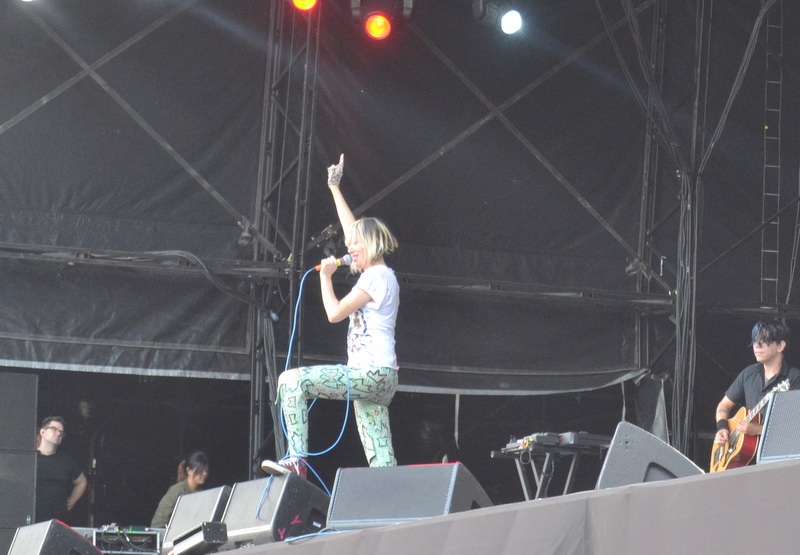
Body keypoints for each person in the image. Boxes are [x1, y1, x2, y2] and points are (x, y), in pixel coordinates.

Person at [262, 154, 400, 478]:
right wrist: (334, 187)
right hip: (380, 378)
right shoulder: (382, 275)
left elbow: (335, 313)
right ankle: (392, 492)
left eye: (355, 246)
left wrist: (325, 278)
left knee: (291, 381)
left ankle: (296, 460)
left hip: (370, 374)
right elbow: (354, 230)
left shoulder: (376, 277)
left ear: (371, 244)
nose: (349, 249)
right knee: (380, 454)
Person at [713, 320, 800, 464]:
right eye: (755, 340)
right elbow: (724, 405)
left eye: (764, 340)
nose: (757, 345)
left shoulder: (794, 378)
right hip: (747, 461)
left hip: (780, 459)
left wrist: (760, 430)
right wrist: (722, 428)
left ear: (780, 346)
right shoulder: (748, 374)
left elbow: (795, 427)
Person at [35, 416, 88, 523]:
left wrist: (72, 501)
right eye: (54, 429)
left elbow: (82, 482)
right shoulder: (30, 458)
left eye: (61, 432)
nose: (58, 434)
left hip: (58, 518)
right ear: (42, 432)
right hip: (33, 516)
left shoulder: (67, 461)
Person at [150, 451, 210, 528]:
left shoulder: (203, 494)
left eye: (206, 470)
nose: (205, 473)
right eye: (200, 470)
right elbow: (159, 522)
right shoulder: (177, 491)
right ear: (189, 470)